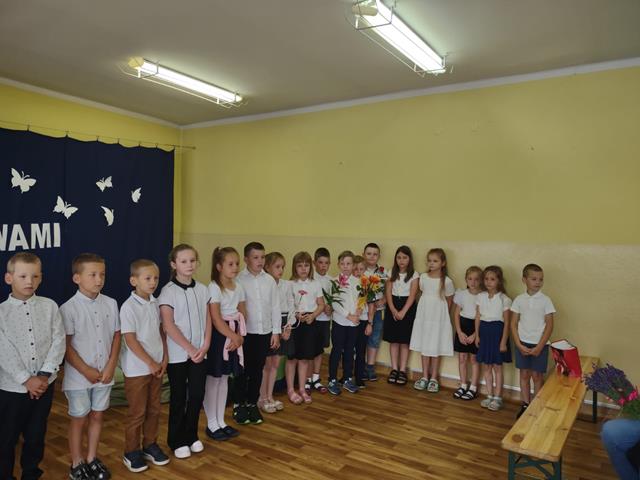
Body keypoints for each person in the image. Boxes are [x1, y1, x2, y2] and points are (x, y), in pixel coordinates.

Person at [0, 252, 65, 480]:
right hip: (12, 389)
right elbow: (3, 351)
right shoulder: (2, 313)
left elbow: (58, 340)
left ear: (41, 278)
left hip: (44, 386)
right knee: (6, 438)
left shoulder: (50, 306)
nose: (29, 281)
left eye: (35, 276)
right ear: (9, 278)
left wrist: (44, 375)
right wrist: (26, 379)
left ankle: (31, 473)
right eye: (23, 276)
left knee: (36, 434)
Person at [61, 253, 121, 480]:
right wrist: (85, 370)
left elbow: (117, 336)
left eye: (102, 275)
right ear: (77, 278)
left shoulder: (111, 303)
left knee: (97, 416)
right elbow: (66, 346)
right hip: (79, 378)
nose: (99, 280)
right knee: (79, 418)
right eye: (93, 275)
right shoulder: (68, 308)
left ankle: (92, 458)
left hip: (105, 374)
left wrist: (111, 366)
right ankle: (77, 461)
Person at [159, 244, 211, 459]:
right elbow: (168, 325)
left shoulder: (203, 289)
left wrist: (205, 345)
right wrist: (189, 348)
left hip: (200, 352)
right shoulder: (168, 292)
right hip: (179, 355)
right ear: (174, 264)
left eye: (192, 260)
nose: (189, 265)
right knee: (179, 397)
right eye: (183, 261)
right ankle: (176, 439)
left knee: (197, 395)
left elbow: (208, 319)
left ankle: (191, 435)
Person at [120, 259, 170, 472]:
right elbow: (130, 340)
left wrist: (164, 358)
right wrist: (149, 362)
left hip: (157, 367)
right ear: (134, 281)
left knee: (154, 409)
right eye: (147, 278)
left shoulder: (156, 303)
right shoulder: (128, 307)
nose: (152, 282)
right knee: (137, 412)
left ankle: (150, 445)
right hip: (138, 370)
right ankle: (131, 451)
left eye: (155, 278)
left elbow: (161, 332)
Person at [234, 242, 281, 425]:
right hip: (246, 334)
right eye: (255, 257)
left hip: (264, 332)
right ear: (246, 259)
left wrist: (275, 332)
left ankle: (252, 403)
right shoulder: (238, 280)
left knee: (257, 370)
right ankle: (239, 404)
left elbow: (275, 307)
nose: (260, 261)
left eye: (262, 257)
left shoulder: (269, 280)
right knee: (242, 370)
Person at [203, 247, 245, 441]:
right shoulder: (214, 287)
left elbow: (242, 311)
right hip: (219, 336)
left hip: (234, 333)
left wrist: (239, 336)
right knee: (214, 378)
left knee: (225, 378)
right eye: (230, 264)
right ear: (219, 267)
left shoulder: (238, 286)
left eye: (237, 263)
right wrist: (232, 336)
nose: (235, 267)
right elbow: (216, 318)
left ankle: (221, 420)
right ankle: (211, 423)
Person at [510, 263, 555, 418]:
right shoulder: (519, 300)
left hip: (540, 345)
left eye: (541, 279)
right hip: (522, 343)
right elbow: (513, 324)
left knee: (537, 376)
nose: (538, 282)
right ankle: (525, 404)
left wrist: (540, 346)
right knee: (524, 375)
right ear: (524, 280)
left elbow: (550, 325)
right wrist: (518, 344)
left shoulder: (546, 300)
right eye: (534, 279)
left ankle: (537, 406)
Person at [410, 248, 455, 394]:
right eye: (429, 260)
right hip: (424, 316)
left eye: (435, 261)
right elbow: (422, 293)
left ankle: (434, 378)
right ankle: (424, 376)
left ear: (443, 263)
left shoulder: (446, 281)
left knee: (435, 346)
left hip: (438, 318)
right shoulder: (423, 277)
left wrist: (443, 317)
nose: (431, 263)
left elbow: (449, 300)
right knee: (425, 346)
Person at [287, 252, 325, 404]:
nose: (303, 269)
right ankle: (291, 389)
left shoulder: (315, 284)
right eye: (299, 266)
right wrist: (296, 314)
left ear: (311, 267)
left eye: (306, 265)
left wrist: (313, 315)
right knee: (292, 358)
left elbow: (321, 304)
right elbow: (288, 304)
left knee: (304, 359)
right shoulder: (290, 284)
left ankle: (302, 388)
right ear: (294, 267)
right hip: (294, 323)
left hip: (309, 323)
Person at [258, 252, 293, 413]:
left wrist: (288, 326)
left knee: (275, 363)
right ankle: (262, 397)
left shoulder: (286, 284)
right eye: (277, 267)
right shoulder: (264, 284)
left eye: (282, 267)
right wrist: (275, 330)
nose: (281, 270)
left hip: (283, 322)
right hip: (270, 324)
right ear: (267, 267)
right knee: (266, 364)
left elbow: (291, 306)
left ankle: (270, 396)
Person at [475, 265, 512, 412]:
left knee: (497, 367)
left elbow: (507, 322)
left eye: (492, 279)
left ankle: (498, 397)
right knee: (487, 366)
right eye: (486, 279)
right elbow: (478, 317)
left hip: (497, 333)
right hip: (484, 333)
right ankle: (489, 395)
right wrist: (477, 335)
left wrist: (503, 341)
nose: (489, 282)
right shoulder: (480, 296)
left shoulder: (504, 299)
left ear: (499, 281)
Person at [383, 246, 419, 387]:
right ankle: (394, 369)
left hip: (407, 308)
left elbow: (413, 295)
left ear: (409, 259)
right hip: (393, 305)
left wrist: (403, 311)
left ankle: (402, 370)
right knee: (393, 340)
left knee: (404, 340)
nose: (401, 260)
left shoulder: (414, 275)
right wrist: (392, 309)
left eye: (404, 257)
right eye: (399, 257)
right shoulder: (391, 273)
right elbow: (388, 291)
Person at [327, 251, 360, 396]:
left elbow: (361, 299)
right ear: (338, 265)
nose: (346, 266)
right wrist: (349, 316)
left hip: (353, 324)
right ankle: (332, 380)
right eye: (343, 264)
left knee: (349, 351)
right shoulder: (335, 282)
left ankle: (347, 378)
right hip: (340, 323)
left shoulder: (358, 281)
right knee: (337, 350)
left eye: (349, 263)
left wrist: (359, 310)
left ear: (353, 265)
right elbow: (334, 303)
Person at [452, 266, 483, 401]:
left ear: (481, 280)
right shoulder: (462, 294)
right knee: (462, 358)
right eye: (470, 279)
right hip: (463, 327)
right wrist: (459, 332)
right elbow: (456, 314)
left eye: (476, 279)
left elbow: (482, 316)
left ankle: (473, 387)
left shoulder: (483, 296)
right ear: (466, 280)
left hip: (476, 328)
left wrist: (476, 334)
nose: (473, 282)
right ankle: (463, 384)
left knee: (474, 359)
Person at [308, 248, 332, 394]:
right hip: (312, 319)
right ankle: (307, 379)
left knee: (319, 350)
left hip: (324, 320)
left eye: (326, 263)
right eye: (320, 262)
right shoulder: (310, 279)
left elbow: (333, 301)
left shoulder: (331, 281)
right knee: (309, 350)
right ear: (314, 262)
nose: (323, 266)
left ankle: (316, 378)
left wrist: (330, 308)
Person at [362, 243, 387, 381]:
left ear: (379, 256)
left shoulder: (383, 273)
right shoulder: (359, 271)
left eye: (375, 254)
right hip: (362, 312)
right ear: (363, 255)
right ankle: (359, 365)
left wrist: (384, 300)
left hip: (378, 311)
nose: (372, 256)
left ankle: (370, 367)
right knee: (360, 339)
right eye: (369, 253)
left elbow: (388, 290)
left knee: (374, 338)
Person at [352, 255, 374, 388]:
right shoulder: (348, 283)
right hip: (350, 321)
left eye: (361, 269)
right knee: (348, 350)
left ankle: (359, 377)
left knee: (360, 351)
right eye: (355, 269)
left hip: (363, 320)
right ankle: (347, 376)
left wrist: (370, 323)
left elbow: (371, 306)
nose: (358, 272)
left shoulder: (367, 284)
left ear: (365, 270)